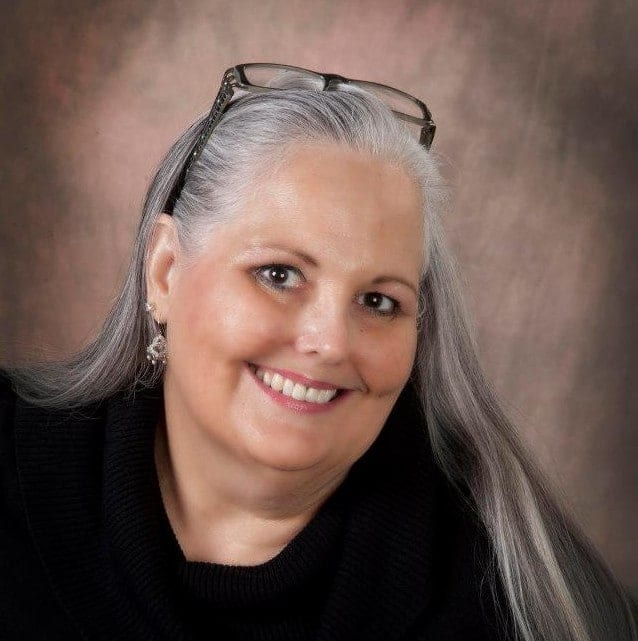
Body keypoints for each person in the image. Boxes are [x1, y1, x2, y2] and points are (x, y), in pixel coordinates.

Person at [0, 63, 635, 641]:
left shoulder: (522, 607)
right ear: (165, 272)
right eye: (278, 274)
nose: (331, 343)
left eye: (378, 301)